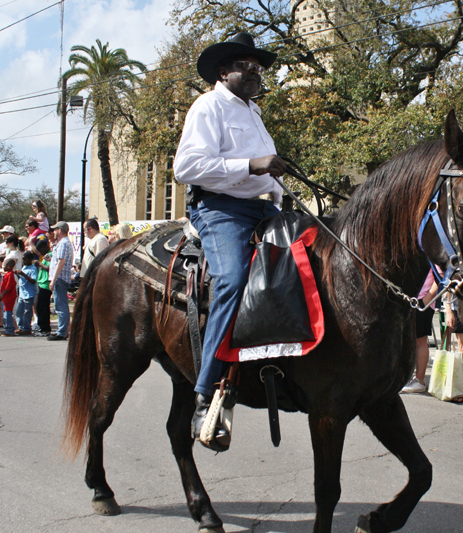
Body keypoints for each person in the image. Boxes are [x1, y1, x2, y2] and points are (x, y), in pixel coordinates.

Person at [173, 32, 284, 449]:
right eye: (246, 66)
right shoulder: (209, 105)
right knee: (233, 279)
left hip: (262, 208)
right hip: (220, 208)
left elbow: (264, 172)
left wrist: (275, 185)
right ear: (224, 72)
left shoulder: (253, 111)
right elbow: (187, 166)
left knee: (311, 258)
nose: (255, 72)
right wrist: (252, 164)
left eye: (258, 67)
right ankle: (207, 391)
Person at [401, 276, 438, 394]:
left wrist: (427, 298)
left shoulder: (431, 257)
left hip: (422, 301)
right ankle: (403, 378)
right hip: (404, 298)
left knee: (420, 340)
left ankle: (419, 380)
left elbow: (440, 274)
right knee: (403, 339)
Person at [49, 221, 73, 341]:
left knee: (61, 305)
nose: (53, 232)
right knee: (60, 305)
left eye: (55, 229)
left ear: (59, 230)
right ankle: (63, 329)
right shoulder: (62, 243)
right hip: (61, 278)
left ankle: (62, 331)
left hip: (60, 278)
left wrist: (53, 280)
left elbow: (61, 261)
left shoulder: (63, 243)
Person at [14, 251, 37, 335]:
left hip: (29, 293)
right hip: (22, 293)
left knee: (27, 311)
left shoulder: (33, 268)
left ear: (30, 260)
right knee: (19, 311)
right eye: (23, 260)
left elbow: (33, 280)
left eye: (25, 260)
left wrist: (23, 274)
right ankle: (20, 327)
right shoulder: (24, 267)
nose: (24, 261)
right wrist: (18, 274)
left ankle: (27, 328)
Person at [33, 239, 52, 337]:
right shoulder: (45, 256)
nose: (40, 253)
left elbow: (50, 268)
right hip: (41, 283)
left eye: (40, 250)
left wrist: (40, 264)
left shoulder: (50, 255)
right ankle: (42, 326)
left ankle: (45, 328)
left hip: (46, 284)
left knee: (43, 306)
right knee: (39, 306)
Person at [0, 258, 17, 337]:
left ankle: (9, 329)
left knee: (7, 313)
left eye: (4, 265)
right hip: (5, 297)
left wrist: (3, 293)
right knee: (5, 313)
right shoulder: (6, 274)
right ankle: (7, 328)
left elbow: (9, 286)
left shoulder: (10, 274)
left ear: (9, 266)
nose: (3, 267)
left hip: (9, 297)